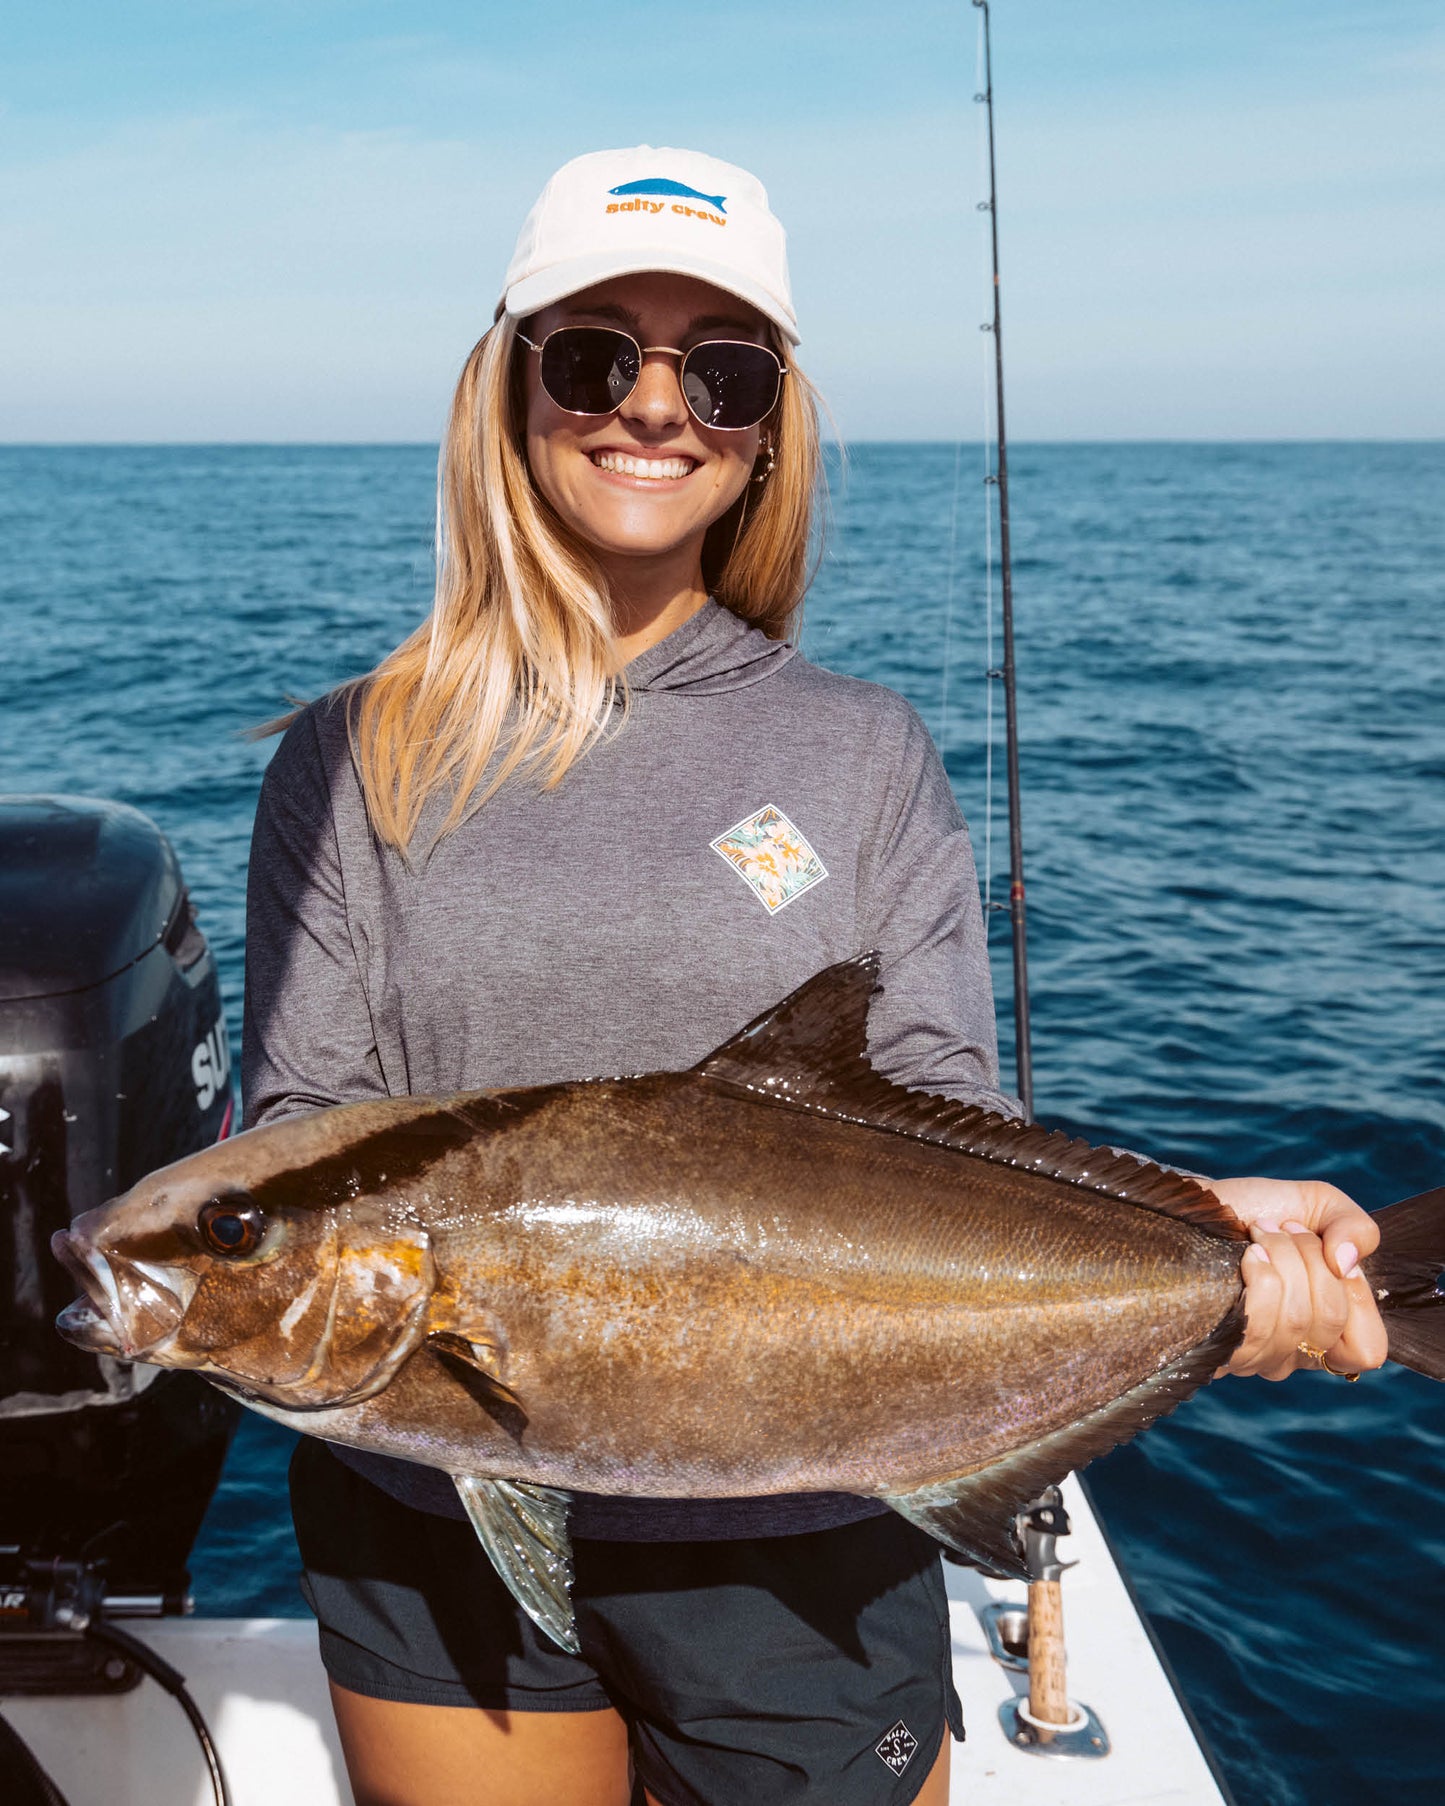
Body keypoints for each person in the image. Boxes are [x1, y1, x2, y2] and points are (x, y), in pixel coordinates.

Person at [242, 146, 1388, 1806]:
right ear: (507, 390)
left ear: (768, 426)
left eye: (720, 369)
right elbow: (302, 1133)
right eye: (592, 356)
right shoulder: (354, 755)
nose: (653, 406)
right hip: (431, 1505)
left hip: (813, 1527)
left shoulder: (861, 751)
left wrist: (1198, 1241)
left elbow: (935, 1123)